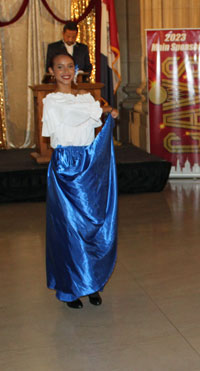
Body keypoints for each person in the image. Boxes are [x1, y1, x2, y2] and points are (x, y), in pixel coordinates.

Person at [43, 52, 118, 309]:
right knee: (68, 229)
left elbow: (92, 114)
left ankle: (91, 282)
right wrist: (103, 108)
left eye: (70, 66)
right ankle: (70, 288)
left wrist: (100, 109)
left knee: (91, 226)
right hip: (65, 165)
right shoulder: (52, 100)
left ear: (76, 69)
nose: (66, 71)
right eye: (60, 67)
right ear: (51, 72)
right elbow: (74, 115)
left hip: (89, 163)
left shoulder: (86, 97)